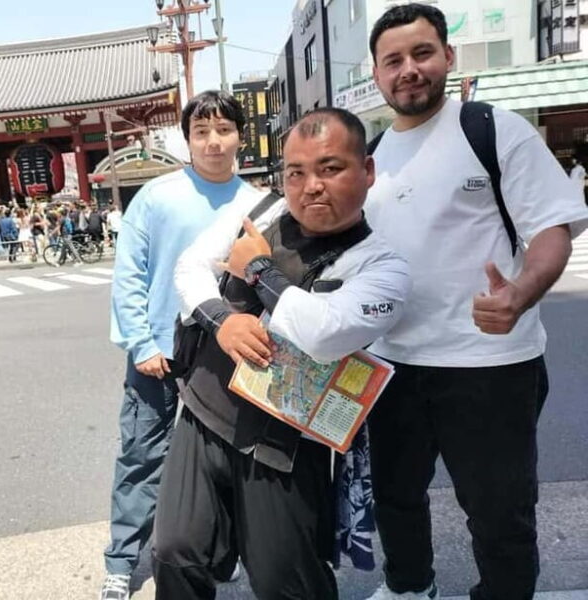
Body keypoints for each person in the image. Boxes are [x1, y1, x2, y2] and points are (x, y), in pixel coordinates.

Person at [362, 5, 588, 600]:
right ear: (378, 73)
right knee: (395, 494)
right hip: (392, 364)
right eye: (394, 60)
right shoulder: (373, 157)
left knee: (499, 510)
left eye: (421, 54)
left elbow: (552, 228)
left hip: (489, 366)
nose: (409, 70)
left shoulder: (492, 129)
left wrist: (521, 291)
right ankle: (410, 587)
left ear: (447, 58)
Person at [151, 108, 410, 600]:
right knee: (175, 551)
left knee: (284, 581)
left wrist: (260, 271)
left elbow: (325, 332)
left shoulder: (382, 267)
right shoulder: (260, 210)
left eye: (330, 169)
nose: (311, 186)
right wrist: (221, 320)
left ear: (367, 172)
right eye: (296, 172)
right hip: (206, 412)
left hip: (284, 443)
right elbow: (190, 267)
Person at [100, 90, 264, 600]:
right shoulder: (157, 195)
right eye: (201, 132)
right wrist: (142, 342)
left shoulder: (254, 201)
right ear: (187, 138)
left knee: (222, 457)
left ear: (241, 135)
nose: (214, 142)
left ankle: (220, 551)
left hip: (219, 350)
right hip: (158, 351)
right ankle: (124, 559)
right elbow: (128, 274)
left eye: (224, 130)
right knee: (142, 455)